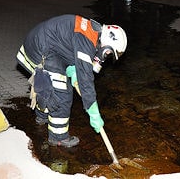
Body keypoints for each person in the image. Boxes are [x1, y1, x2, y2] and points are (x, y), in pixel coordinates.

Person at [16, 15, 127, 148]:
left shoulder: (92, 32)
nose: (106, 56)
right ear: (107, 43)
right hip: (42, 52)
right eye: (108, 53)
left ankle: (41, 116)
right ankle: (58, 137)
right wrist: (94, 113)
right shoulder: (87, 41)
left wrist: (74, 70)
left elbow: (69, 46)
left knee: (51, 87)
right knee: (63, 93)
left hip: (44, 45)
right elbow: (86, 84)